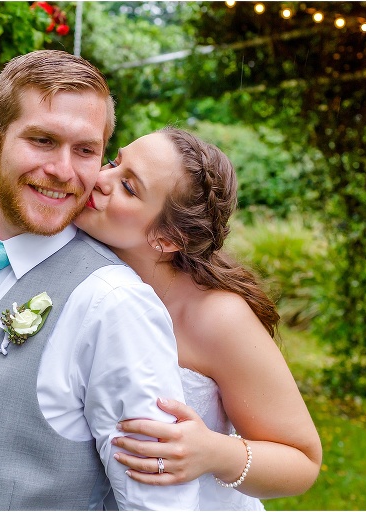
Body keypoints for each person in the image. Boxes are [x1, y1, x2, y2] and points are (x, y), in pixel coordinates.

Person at [0, 51, 200, 510]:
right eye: (42, 140)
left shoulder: (113, 303)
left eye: (86, 150)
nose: (63, 170)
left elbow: (160, 504)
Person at [74, 127, 322, 510]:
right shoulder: (74, 261)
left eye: (129, 187)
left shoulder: (218, 318)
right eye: (114, 162)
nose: (100, 179)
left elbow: (303, 461)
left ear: (168, 238)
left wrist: (214, 453)